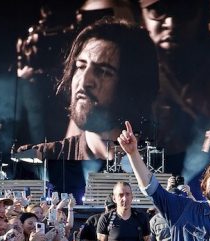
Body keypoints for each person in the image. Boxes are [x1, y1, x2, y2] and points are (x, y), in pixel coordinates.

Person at [30, 18, 158, 161]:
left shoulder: (161, 167)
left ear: (133, 87)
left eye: (103, 71)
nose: (84, 82)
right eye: (80, 66)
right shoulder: (41, 160)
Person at [140, 0, 210, 153]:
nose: (171, 23)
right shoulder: (131, 68)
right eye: (157, 10)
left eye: (184, 9)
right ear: (142, 15)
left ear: (205, 13)